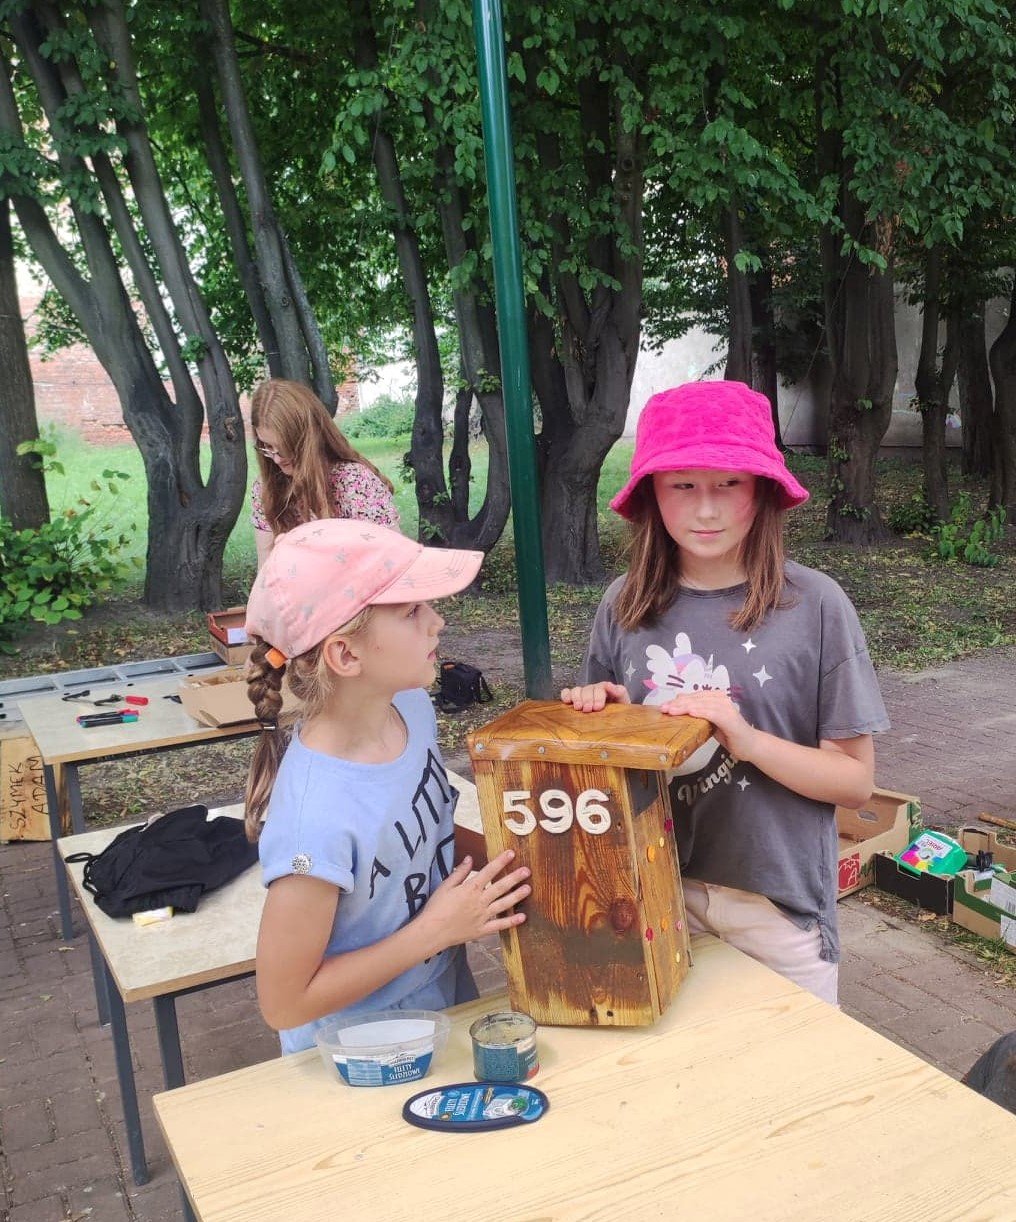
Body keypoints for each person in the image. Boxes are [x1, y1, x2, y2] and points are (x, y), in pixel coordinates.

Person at [561, 380, 889, 1006]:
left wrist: (747, 739)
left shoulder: (816, 606)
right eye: (682, 485)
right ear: (651, 494)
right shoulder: (623, 604)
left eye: (729, 483)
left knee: (792, 1067)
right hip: (653, 891)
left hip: (776, 908)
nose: (705, 510)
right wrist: (605, 726)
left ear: (762, 490)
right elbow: (602, 776)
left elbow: (854, 784)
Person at [243, 519, 530, 1053]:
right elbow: (283, 1002)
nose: (437, 622)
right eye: (411, 611)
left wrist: (522, 864)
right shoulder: (314, 820)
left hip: (442, 992)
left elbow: (426, 834)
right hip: (359, 1049)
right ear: (346, 655)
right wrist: (434, 932)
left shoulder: (410, 708)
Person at [250, 378, 400, 568]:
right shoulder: (266, 488)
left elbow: (396, 561)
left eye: (284, 448)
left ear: (308, 440)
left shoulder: (356, 482)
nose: (277, 459)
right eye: (267, 447)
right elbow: (266, 567)